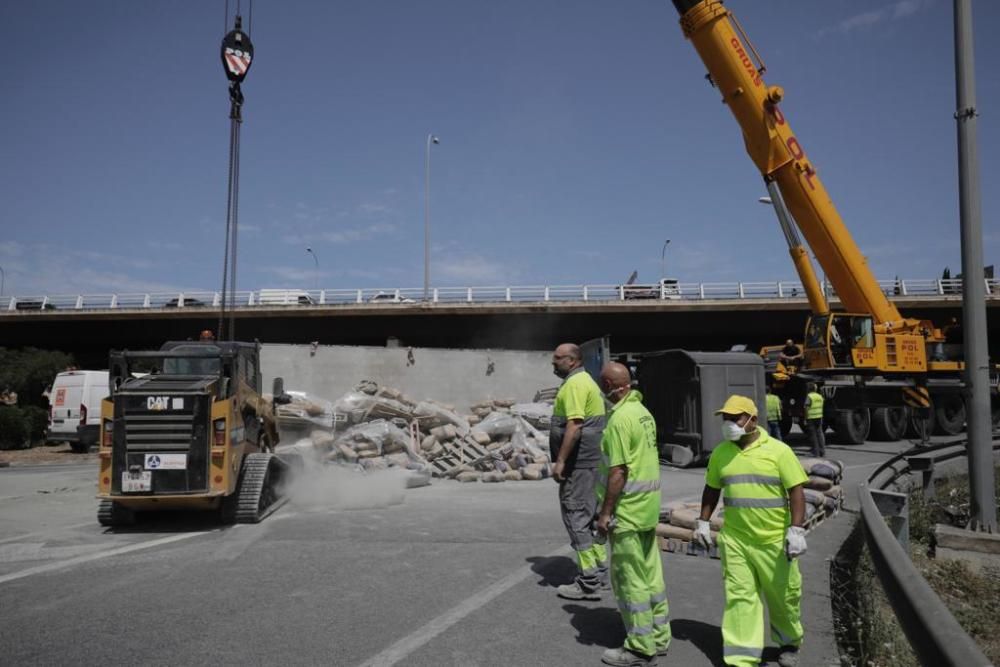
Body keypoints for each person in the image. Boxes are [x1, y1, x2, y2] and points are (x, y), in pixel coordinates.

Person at [693, 395, 809, 667]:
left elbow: (796, 490)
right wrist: (703, 521)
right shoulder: (722, 452)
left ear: (753, 420)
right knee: (740, 598)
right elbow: (712, 488)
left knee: (783, 597)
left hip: (773, 541)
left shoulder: (779, 451)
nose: (729, 423)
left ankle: (789, 643)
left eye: (735, 418)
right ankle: (742, 659)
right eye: (726, 419)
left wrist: (796, 530)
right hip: (736, 540)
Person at [594, 362, 670, 666]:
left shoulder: (620, 419)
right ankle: (659, 635)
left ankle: (639, 647)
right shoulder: (643, 413)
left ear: (610, 385)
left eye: (603, 385)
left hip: (626, 512)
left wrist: (605, 513)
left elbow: (618, 471)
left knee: (629, 580)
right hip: (647, 509)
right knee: (651, 576)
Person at [550, 343, 609, 600]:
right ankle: (601, 572)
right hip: (591, 462)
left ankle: (589, 581)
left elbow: (574, 426)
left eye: (558, 359)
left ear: (572, 361)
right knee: (590, 518)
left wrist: (561, 461)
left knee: (576, 519)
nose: (553, 363)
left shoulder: (574, 385)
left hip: (578, 464)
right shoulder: (586, 381)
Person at [803, 384, 826, 457]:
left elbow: (806, 407)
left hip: (811, 418)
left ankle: (816, 452)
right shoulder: (820, 396)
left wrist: (805, 418)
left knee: (813, 436)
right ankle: (822, 451)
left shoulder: (809, 396)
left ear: (809, 389)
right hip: (819, 417)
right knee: (820, 434)